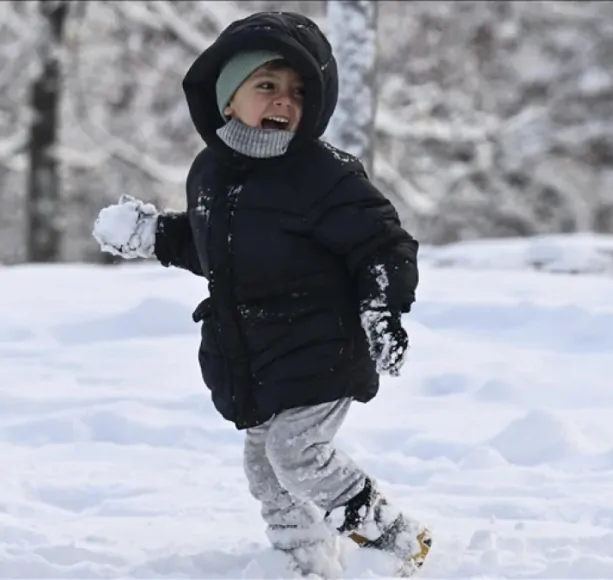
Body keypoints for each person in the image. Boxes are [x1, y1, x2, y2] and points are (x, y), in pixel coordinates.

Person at [91, 10, 431, 577]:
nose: (284, 101)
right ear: (228, 97)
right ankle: (303, 562)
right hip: (258, 356)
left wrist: (381, 308)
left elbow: (381, 243)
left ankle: (396, 539)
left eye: (298, 92)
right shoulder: (210, 173)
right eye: (267, 85)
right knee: (265, 468)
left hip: (323, 347)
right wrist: (154, 234)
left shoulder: (324, 175)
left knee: (297, 454)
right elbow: (217, 252)